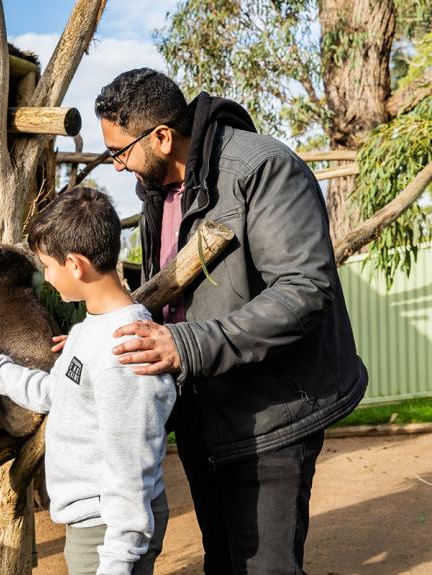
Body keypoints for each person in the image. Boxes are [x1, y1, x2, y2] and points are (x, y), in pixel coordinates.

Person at [95, 68, 368, 572]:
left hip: (271, 412)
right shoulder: (157, 190)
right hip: (206, 410)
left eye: (120, 152)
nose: (116, 166)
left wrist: (188, 347)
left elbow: (305, 290)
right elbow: (168, 294)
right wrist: (98, 338)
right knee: (222, 561)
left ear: (161, 136)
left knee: (265, 567)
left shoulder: (262, 168)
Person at [0, 187, 176, 575]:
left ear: (75, 264)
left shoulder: (122, 351)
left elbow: (131, 464)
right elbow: (51, 393)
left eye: (47, 265)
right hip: (93, 521)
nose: (45, 275)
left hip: (109, 531)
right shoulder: (87, 331)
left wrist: (118, 559)